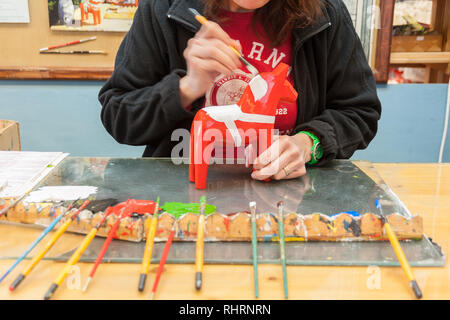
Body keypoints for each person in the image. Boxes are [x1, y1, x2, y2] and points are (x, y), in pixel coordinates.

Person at [99, 0, 381, 181]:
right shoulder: (163, 9)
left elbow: (359, 111)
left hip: (289, 203)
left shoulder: (325, 13)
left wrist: (308, 144)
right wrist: (187, 88)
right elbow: (119, 116)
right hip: (182, 201)